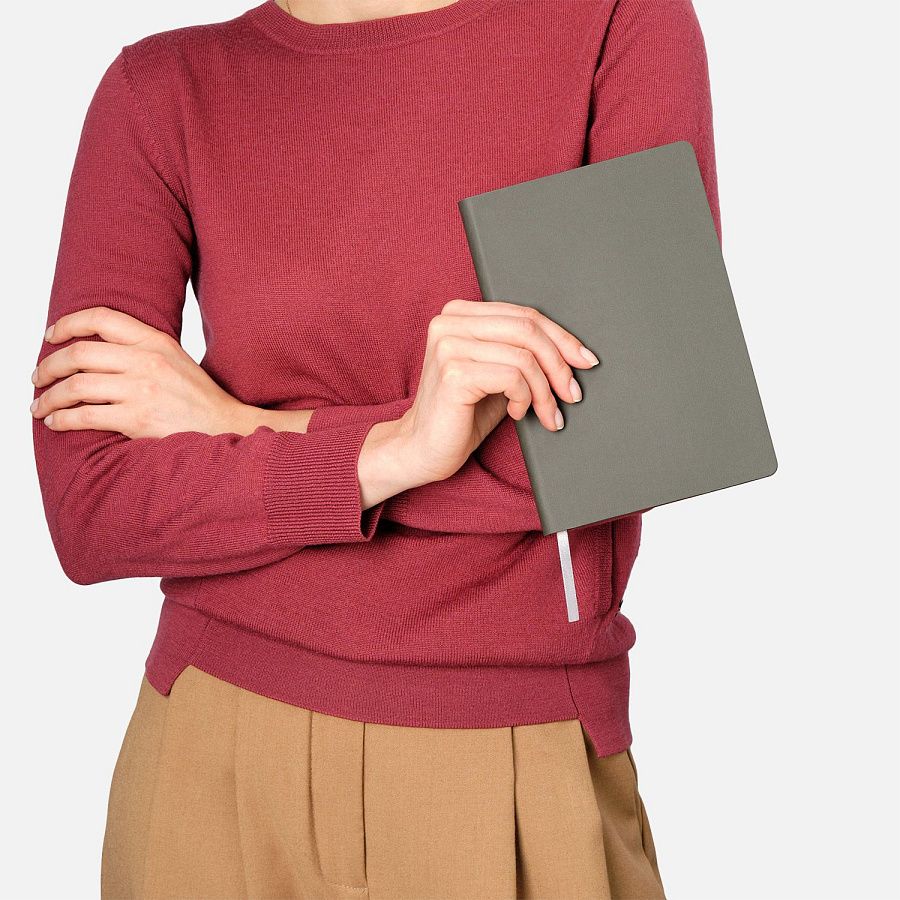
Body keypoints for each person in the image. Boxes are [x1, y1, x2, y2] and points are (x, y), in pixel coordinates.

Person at [30, 0, 720, 896]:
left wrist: (240, 423)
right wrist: (395, 449)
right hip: (206, 754)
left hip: (507, 752)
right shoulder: (160, 89)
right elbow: (92, 513)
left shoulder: (612, 21)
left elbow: (643, 435)